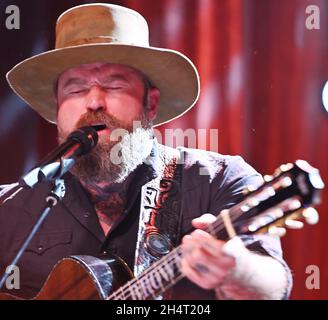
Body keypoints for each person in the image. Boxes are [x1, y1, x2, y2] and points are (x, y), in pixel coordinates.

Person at [0, 3, 291, 300]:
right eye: (75, 89)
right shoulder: (8, 209)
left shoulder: (218, 180)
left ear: (150, 104)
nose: (94, 102)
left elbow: (271, 286)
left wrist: (238, 269)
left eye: (114, 85)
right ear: (58, 109)